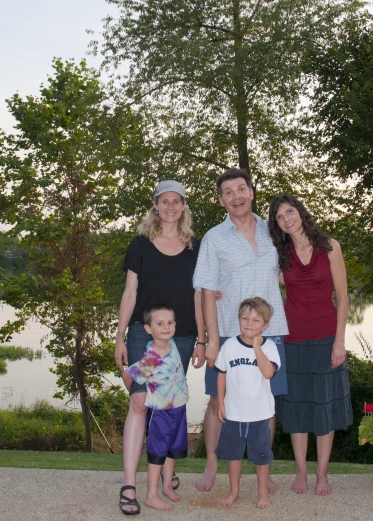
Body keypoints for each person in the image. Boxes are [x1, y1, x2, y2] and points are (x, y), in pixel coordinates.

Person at [193, 167, 288, 494]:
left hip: (269, 331)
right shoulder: (214, 238)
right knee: (217, 399)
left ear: (251, 192)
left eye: (241, 189)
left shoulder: (273, 230)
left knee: (268, 400)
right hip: (229, 334)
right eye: (228, 192)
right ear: (222, 201)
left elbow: (285, 272)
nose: (236, 196)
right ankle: (211, 464)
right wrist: (210, 339)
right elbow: (206, 289)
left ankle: (264, 467)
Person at [115, 180, 206, 515]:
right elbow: (130, 293)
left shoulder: (195, 247)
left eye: (176, 201)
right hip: (142, 335)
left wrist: (201, 339)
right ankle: (129, 484)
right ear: (155, 205)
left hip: (182, 338)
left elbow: (199, 296)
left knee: (169, 408)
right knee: (139, 405)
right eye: (164, 201)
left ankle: (165, 475)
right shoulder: (139, 244)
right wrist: (120, 336)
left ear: (184, 206)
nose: (170, 206)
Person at [268, 194, 353, 496]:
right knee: (297, 408)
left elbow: (343, 297)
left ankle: (322, 474)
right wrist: (219, 293)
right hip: (291, 340)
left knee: (324, 408)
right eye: (279, 216)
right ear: (276, 224)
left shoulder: (330, 247)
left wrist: (339, 342)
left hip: (326, 338)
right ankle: (301, 470)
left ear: (300, 212)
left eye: (289, 211)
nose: (285, 218)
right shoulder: (281, 254)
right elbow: (259, 280)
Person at [121, 305, 189, 513]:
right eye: (160, 324)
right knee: (158, 453)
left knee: (171, 450)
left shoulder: (173, 343)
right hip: (160, 412)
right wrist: (126, 376)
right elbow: (132, 377)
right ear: (148, 329)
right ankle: (151, 495)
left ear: (175, 325)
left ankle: (167, 485)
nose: (166, 327)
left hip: (178, 407)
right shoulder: (151, 356)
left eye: (170, 323)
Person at [215, 297, 281, 509]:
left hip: (259, 414)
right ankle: (234, 491)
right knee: (233, 457)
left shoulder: (269, 347)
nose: (249, 323)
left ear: (265, 325)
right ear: (238, 320)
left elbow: (268, 372)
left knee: (261, 458)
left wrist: (256, 347)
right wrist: (221, 402)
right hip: (233, 413)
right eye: (245, 318)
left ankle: (262, 493)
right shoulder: (229, 345)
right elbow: (221, 374)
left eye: (255, 320)